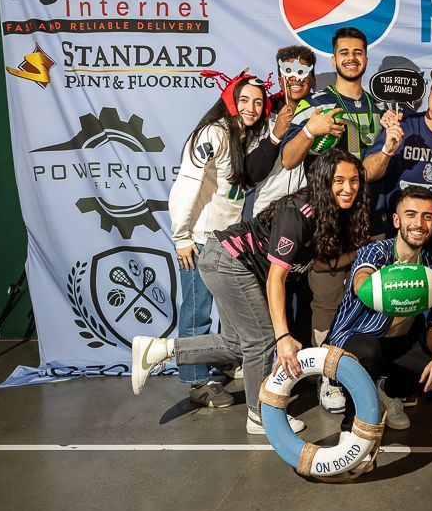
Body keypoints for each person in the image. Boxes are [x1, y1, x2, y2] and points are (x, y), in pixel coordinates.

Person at [133, 149, 372, 435]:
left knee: (238, 343)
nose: (348, 188)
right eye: (339, 180)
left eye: (354, 180)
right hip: (228, 261)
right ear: (323, 181)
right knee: (263, 339)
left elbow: (317, 263)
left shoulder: (333, 213)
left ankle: (160, 350)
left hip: (229, 261)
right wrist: (282, 337)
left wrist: (361, 252)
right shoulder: (298, 212)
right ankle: (259, 415)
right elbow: (275, 279)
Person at [279, 27, 391, 412]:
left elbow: (373, 170)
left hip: (367, 222)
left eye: (358, 52)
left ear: (366, 58)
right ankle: (328, 378)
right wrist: (312, 129)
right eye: (344, 52)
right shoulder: (317, 103)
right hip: (326, 225)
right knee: (326, 303)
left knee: (367, 302)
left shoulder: (379, 108)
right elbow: (289, 159)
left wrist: (388, 147)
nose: (351, 58)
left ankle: (362, 374)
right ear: (334, 59)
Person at [167, 70, 271, 408]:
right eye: (244, 100)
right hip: (199, 240)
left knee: (231, 312)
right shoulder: (213, 133)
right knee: (197, 311)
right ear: (230, 100)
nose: (252, 108)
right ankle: (197, 380)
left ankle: (225, 359)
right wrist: (181, 236)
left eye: (258, 102)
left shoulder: (248, 136)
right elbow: (187, 182)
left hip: (228, 241)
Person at [327, 186, 432, 432]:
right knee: (368, 351)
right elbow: (361, 281)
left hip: (397, 345)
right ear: (397, 220)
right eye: (411, 215)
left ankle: (386, 391)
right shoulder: (375, 251)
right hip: (353, 340)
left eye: (427, 217)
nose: (419, 223)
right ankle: (353, 429)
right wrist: (388, 284)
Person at [363, 65, 432, 277]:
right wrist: (387, 151)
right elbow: (366, 172)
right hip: (398, 239)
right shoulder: (404, 126)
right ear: (430, 91)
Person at [245, 46, 317, 359]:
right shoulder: (262, 114)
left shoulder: (321, 111)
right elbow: (251, 172)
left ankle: (300, 366)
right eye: (289, 72)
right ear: (279, 75)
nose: (295, 79)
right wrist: (275, 135)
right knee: (268, 297)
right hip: (265, 219)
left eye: (302, 72)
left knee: (303, 296)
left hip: (304, 219)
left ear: (312, 78)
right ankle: (267, 365)